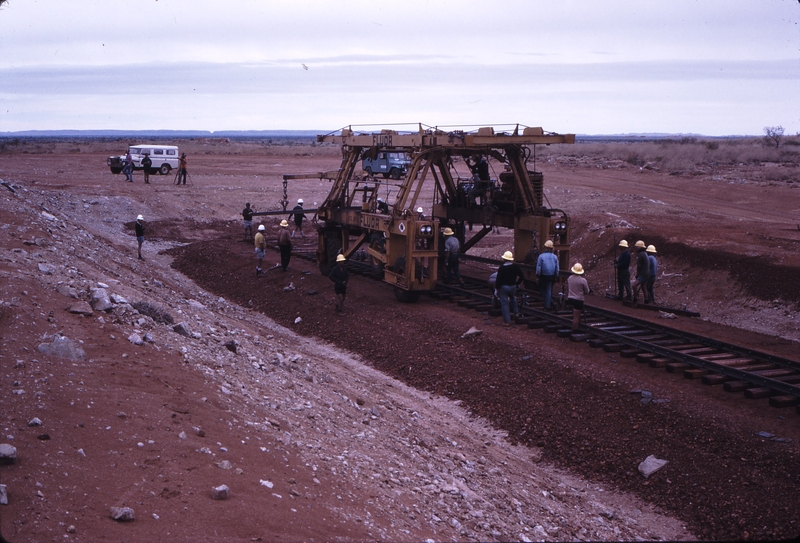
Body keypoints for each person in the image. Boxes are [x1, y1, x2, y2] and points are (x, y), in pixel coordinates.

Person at [495, 250, 524, 325]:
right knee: (513, 299)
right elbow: (522, 276)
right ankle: (516, 313)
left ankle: (507, 321)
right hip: (513, 286)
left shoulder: (502, 268)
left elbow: (499, 279)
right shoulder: (515, 266)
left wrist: (496, 288)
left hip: (504, 287)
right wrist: (517, 283)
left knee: (504, 303)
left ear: (504, 259)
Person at [535, 240, 559, 310]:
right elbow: (557, 268)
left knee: (540, 287)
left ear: (545, 247)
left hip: (543, 276)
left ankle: (549, 301)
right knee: (549, 290)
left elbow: (538, 267)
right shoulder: (555, 257)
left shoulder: (541, 256)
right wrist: (556, 275)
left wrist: (538, 275)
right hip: (551, 276)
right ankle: (548, 304)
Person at [567, 263, 591, 331]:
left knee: (575, 314)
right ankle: (574, 330)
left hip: (570, 298)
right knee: (576, 316)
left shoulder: (570, 278)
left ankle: (577, 325)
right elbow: (587, 291)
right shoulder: (583, 280)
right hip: (578, 300)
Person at [631, 240, 650, 305]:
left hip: (643, 274)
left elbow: (639, 266)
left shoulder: (640, 254)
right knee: (643, 286)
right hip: (646, 273)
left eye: (637, 247)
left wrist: (638, 274)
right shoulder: (645, 254)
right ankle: (646, 300)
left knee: (634, 286)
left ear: (639, 248)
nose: (636, 249)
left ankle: (635, 298)